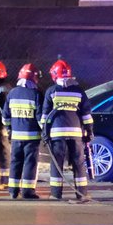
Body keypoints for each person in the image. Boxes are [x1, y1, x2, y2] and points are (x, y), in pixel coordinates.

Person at [40, 59, 94, 202]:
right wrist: (89, 130)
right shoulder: (79, 91)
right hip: (76, 133)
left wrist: (45, 132)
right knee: (78, 163)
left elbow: (45, 116)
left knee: (57, 164)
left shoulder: (51, 91)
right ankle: (82, 194)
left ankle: (56, 194)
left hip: (57, 134)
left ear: (55, 74)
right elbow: (86, 114)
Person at [2, 63, 43, 200]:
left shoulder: (12, 93)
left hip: (15, 137)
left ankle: (13, 190)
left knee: (15, 162)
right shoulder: (36, 94)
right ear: (34, 78)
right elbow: (40, 117)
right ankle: (27, 191)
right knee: (30, 163)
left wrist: (9, 129)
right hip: (32, 137)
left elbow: (5, 117)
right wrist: (44, 131)